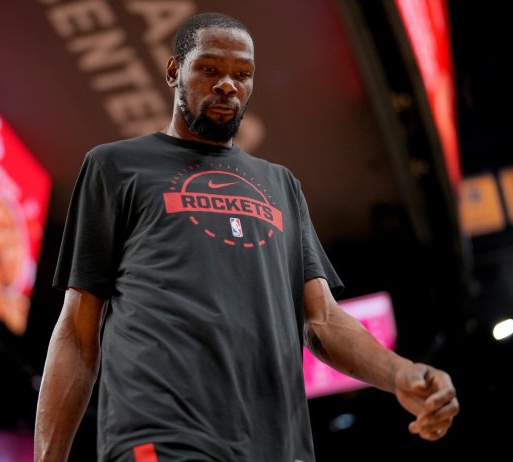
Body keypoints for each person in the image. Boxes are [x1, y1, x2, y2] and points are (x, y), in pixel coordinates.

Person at [35, 12, 458, 462]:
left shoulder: (281, 185)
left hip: (278, 446)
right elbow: (78, 334)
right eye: (209, 69)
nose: (227, 85)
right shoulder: (116, 167)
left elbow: (323, 321)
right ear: (174, 71)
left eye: (242, 74)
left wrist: (402, 373)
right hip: (162, 434)